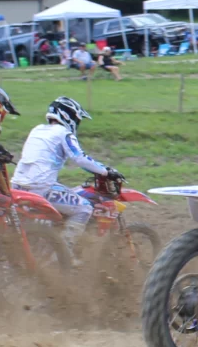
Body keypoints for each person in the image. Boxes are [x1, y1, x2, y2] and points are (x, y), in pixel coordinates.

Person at [12, 97, 122, 249]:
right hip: (40, 188)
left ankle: (52, 238)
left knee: (66, 194)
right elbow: (80, 158)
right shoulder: (64, 133)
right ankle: (65, 252)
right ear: (68, 116)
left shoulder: (37, 129)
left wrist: (96, 168)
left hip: (17, 186)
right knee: (84, 208)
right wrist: (106, 171)